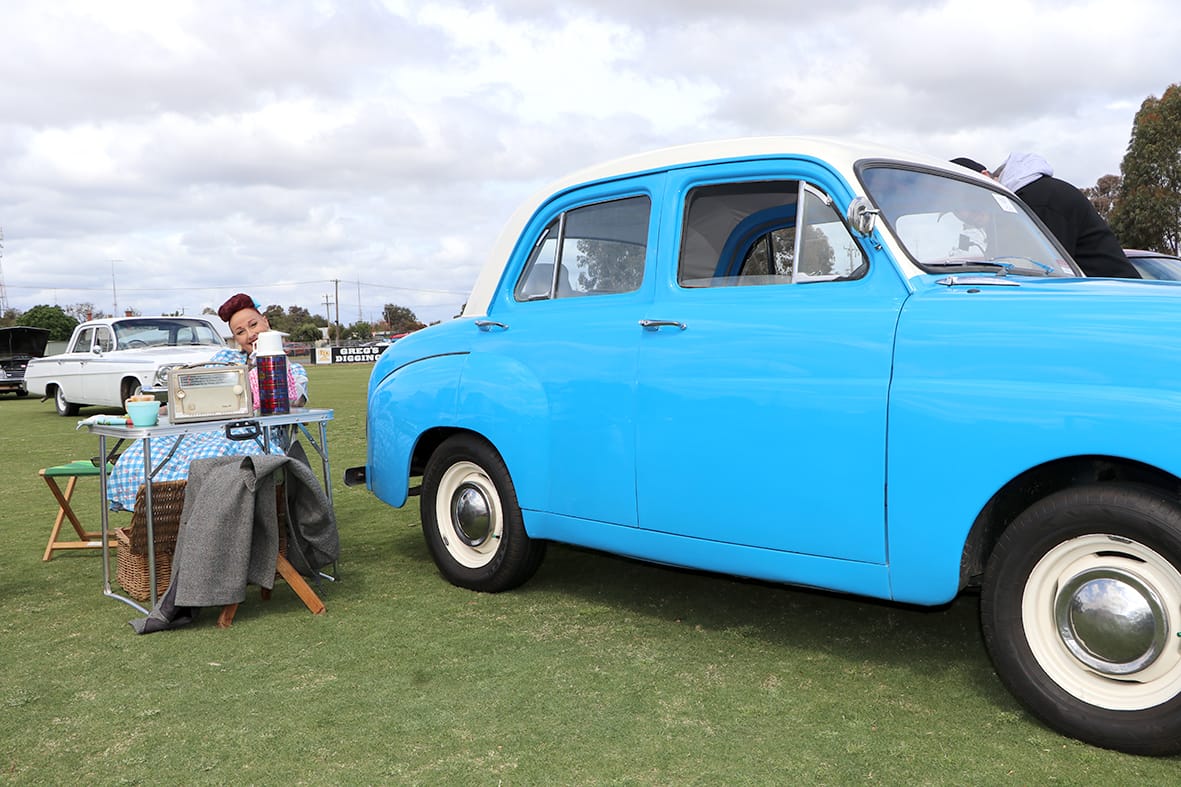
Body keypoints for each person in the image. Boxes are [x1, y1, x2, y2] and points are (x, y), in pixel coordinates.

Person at [104, 293, 309, 511]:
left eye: (253, 325)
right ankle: (166, 518)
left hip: (251, 435)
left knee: (216, 457)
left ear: (265, 321)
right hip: (203, 430)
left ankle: (204, 519)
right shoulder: (223, 360)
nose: (250, 335)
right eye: (240, 332)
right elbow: (198, 394)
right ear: (235, 338)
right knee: (143, 451)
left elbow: (298, 400)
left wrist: (271, 363)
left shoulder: (290, 368)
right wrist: (160, 409)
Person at [993, 152, 1140, 279]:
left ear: (998, 178)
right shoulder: (1047, 191)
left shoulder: (1038, 201)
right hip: (1110, 287)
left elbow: (1046, 266)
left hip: (1107, 291)